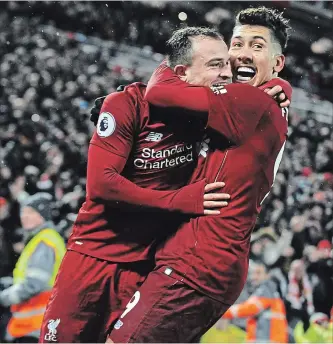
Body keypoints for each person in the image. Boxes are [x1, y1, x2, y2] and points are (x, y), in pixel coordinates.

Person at [39, 27, 234, 344]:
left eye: (227, 64)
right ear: (182, 71)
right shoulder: (127, 104)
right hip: (94, 254)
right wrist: (177, 200)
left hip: (147, 266)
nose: (227, 74)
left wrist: (281, 90)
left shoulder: (213, 117)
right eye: (215, 65)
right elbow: (102, 185)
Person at [108, 6, 292, 343]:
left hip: (197, 263)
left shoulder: (249, 99)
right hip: (206, 260)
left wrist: (178, 61)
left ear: (277, 64)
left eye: (257, 46)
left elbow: (160, 92)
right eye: (237, 45)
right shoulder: (259, 102)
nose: (243, 54)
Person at [0, 193, 66, 343]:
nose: (24, 216)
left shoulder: (44, 241)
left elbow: (34, 284)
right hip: (35, 324)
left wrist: (4, 297)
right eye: (23, 212)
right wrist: (10, 284)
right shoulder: (42, 238)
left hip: (35, 325)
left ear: (42, 216)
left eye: (30, 212)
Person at [222, 261, 288, 343]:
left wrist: (220, 312)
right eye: (253, 273)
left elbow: (249, 308)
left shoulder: (266, 290)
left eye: (258, 273)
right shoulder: (272, 290)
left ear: (267, 275)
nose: (254, 277)